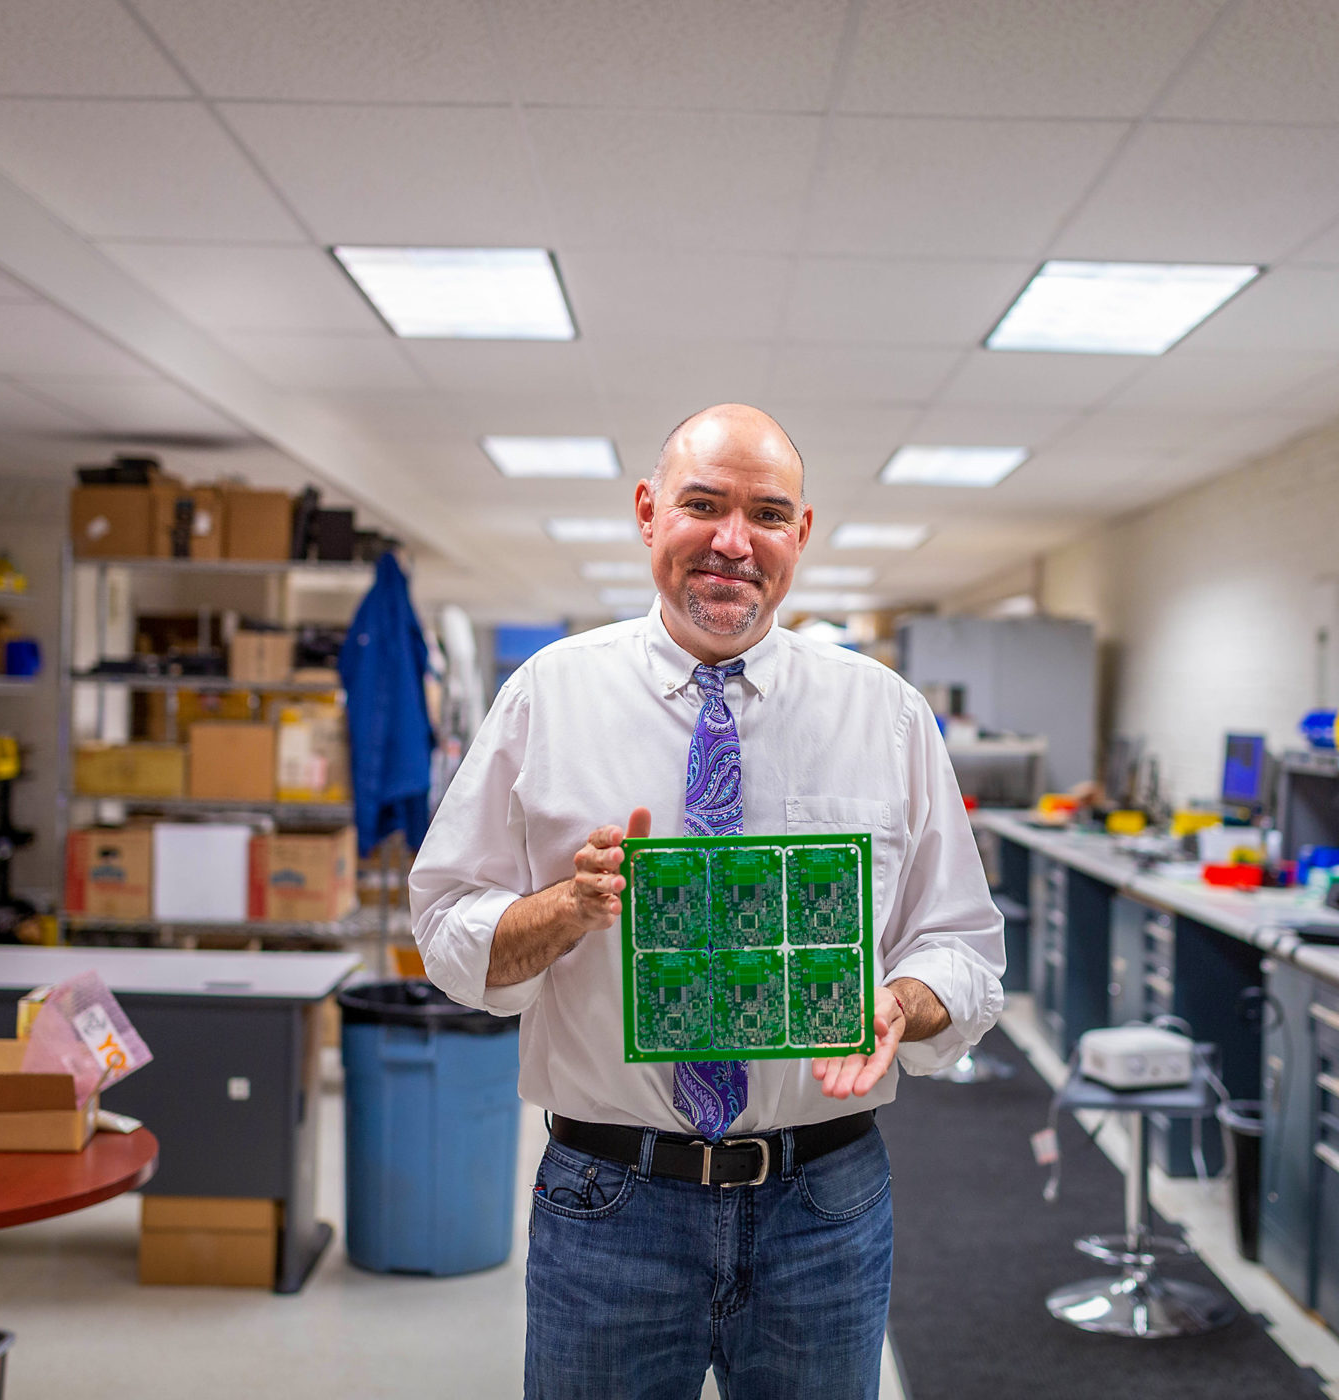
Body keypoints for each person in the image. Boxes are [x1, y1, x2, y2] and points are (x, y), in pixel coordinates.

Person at [410, 403, 1005, 1400]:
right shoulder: (547, 698)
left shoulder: (885, 716)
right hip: (611, 1201)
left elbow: (965, 950)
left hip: (824, 1201)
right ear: (649, 513)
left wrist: (901, 1001)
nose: (733, 541)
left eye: (767, 513)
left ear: (800, 536)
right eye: (702, 504)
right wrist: (567, 906)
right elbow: (445, 930)